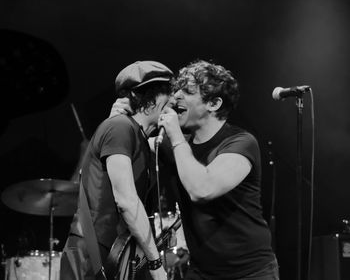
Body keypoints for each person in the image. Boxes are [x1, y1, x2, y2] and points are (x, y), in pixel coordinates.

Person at [111, 59, 279, 279]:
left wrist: (176, 137)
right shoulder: (173, 143)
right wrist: (118, 123)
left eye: (187, 92)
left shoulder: (240, 143)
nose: (175, 97)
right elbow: (126, 152)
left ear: (214, 104)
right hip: (202, 271)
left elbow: (202, 189)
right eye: (176, 90)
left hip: (250, 272)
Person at [60, 60, 174, 280]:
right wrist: (155, 262)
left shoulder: (140, 138)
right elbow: (127, 201)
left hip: (114, 252)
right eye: (167, 94)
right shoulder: (121, 127)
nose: (172, 103)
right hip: (92, 251)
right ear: (151, 101)